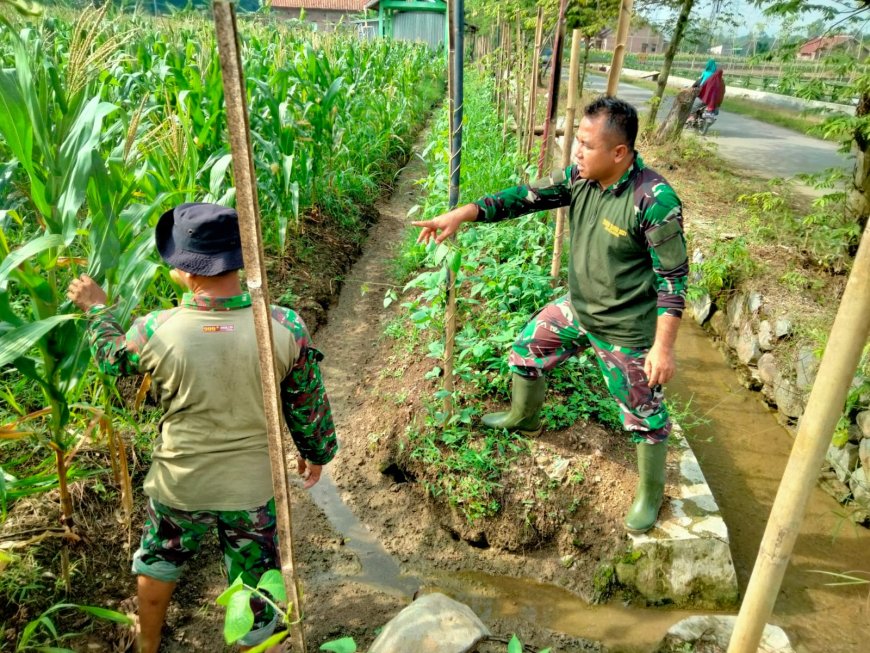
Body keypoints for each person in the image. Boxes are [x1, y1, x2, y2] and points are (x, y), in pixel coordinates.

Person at [66, 203, 338, 653]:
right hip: (251, 486)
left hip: (179, 483)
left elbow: (111, 357)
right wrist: (315, 453)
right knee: (254, 580)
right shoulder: (284, 324)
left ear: (185, 270)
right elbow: (306, 403)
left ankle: (149, 643)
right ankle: (255, 643)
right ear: (242, 257)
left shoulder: (156, 328)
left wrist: (98, 308)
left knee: (158, 562)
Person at [412, 97, 688, 535]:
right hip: (579, 307)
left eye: (585, 144)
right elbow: (523, 198)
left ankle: (650, 492)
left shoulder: (652, 200)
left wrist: (663, 346)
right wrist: (461, 215)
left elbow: (673, 278)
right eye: (576, 141)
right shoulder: (579, 178)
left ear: (619, 152)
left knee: (644, 416)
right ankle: (525, 417)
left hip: (625, 329)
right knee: (527, 349)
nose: (576, 152)